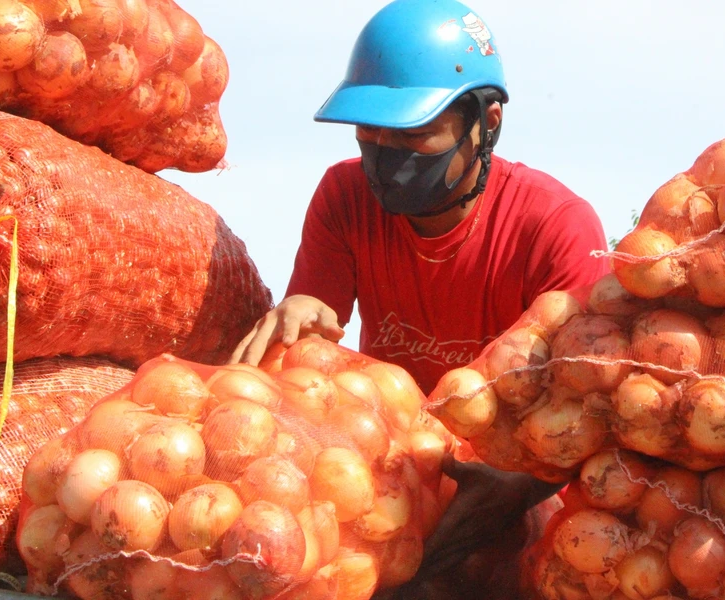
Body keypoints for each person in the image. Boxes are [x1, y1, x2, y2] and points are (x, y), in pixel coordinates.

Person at [231, 0, 609, 594]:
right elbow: (313, 354)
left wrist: (520, 489)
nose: (386, 151)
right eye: (370, 130)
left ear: (488, 121)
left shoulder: (555, 225)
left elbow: (585, 414)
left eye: (413, 131)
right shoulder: (343, 198)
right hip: (390, 481)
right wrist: (301, 316)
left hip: (510, 490)